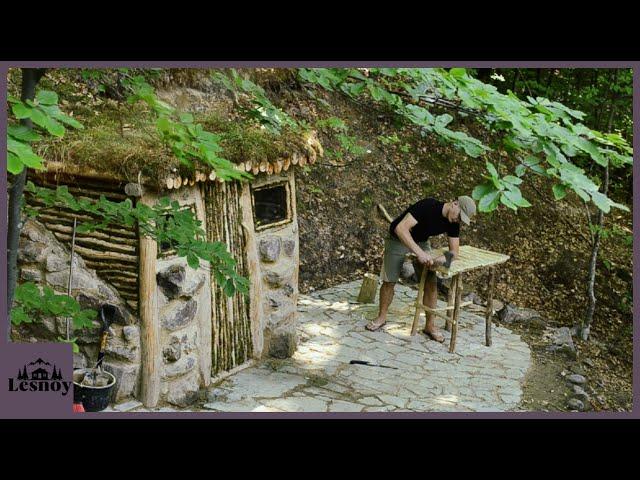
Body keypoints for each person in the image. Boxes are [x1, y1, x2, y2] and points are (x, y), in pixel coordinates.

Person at [365, 196, 476, 342]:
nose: (458, 221)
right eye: (459, 216)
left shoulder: (453, 222)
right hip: (398, 238)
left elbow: (454, 254)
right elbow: (401, 228)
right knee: (389, 280)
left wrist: (438, 260)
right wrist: (420, 253)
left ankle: (430, 326)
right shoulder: (428, 205)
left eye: (462, 220)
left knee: (431, 283)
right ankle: (382, 317)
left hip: (421, 241)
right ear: (455, 204)